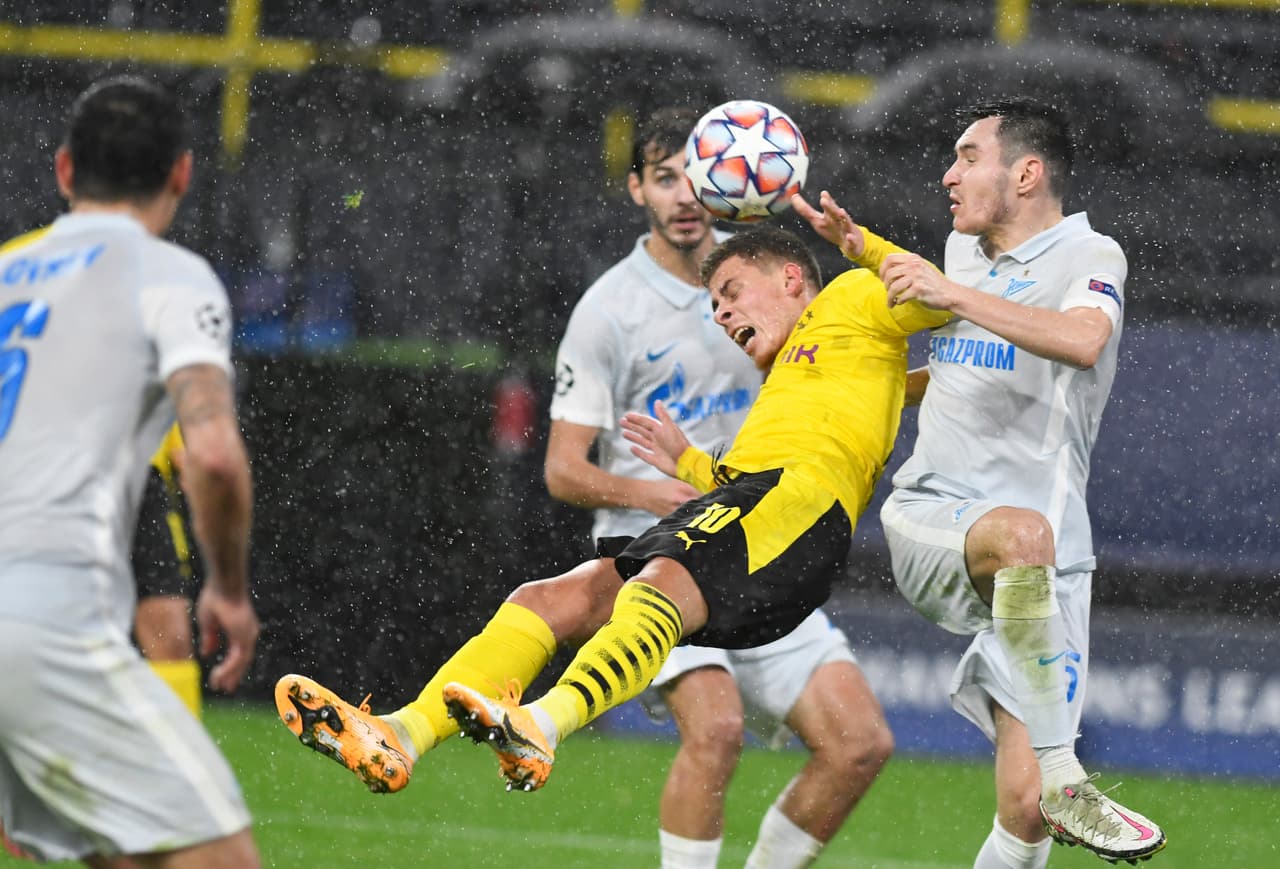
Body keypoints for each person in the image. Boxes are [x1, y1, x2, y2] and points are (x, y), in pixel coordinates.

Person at [273, 225, 947, 847]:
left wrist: (862, 245)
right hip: (752, 502)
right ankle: (402, 732)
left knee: (672, 619)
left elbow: (936, 301)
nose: (722, 315)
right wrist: (687, 462)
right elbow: (763, 459)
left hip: (795, 510)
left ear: (793, 278)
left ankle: (545, 721)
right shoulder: (805, 370)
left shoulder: (855, 295)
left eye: (733, 293)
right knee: (552, 598)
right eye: (714, 306)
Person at [791, 98, 1165, 866]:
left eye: (967, 156)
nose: (947, 174)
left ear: (1026, 173)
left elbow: (1083, 342)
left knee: (1026, 811)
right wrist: (862, 313)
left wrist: (949, 296)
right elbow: (956, 359)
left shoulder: (1092, 257)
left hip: (1050, 560)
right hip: (938, 519)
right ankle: (1070, 771)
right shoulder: (963, 259)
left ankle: (1053, 780)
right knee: (1024, 533)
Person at [544, 108, 891, 869]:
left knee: (859, 744)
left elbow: (840, 374)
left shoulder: (760, 283)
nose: (682, 196)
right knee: (718, 730)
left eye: (691, 176)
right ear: (636, 189)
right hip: (665, 550)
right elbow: (562, 469)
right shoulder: (608, 311)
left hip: (759, 529)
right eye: (662, 177)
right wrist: (657, 496)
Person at [0, 76, 260, 867]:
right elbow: (212, 451)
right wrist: (229, 586)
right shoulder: (169, 274)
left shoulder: (7, 272)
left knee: (126, 855)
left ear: (64, 169)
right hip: (43, 618)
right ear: (182, 173)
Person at [133, 423, 203, 718]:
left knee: (172, 639)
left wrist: (186, 450)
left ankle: (181, 758)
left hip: (144, 472)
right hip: (54, 474)